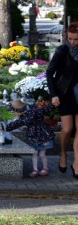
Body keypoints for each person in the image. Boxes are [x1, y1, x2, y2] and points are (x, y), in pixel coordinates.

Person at [46, 22, 78, 175]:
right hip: (65, 94)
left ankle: (77, 163)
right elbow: (49, 73)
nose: (72, 42)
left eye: (76, 39)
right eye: (70, 39)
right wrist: (53, 95)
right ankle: (63, 152)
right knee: (67, 129)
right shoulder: (62, 51)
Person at [6, 99, 55, 177]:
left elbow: (44, 109)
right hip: (34, 136)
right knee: (35, 153)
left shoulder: (32, 112)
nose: (13, 114)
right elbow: (19, 122)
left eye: (13, 112)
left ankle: (45, 168)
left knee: (42, 154)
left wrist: (6, 127)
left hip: (42, 136)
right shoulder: (29, 113)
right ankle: (35, 169)